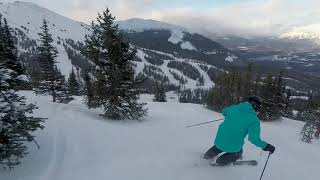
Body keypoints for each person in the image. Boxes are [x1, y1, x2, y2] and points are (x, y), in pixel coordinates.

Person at [203, 96, 275, 165]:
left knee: (220, 145)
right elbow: (253, 139)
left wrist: (232, 115)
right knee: (237, 149)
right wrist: (266, 146)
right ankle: (221, 161)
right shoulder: (254, 120)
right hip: (233, 145)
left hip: (219, 140)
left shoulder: (234, 108)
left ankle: (207, 156)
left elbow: (224, 111)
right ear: (257, 107)